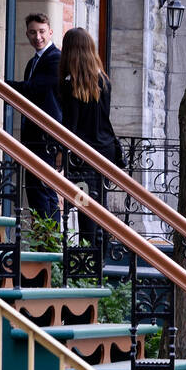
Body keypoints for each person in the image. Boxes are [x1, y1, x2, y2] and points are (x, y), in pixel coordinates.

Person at [57, 28, 123, 247]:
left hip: (83, 154)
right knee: (98, 206)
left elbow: (71, 126)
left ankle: (89, 260)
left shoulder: (70, 84)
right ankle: (98, 258)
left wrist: (61, 153)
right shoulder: (104, 81)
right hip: (105, 149)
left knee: (85, 206)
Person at [17, 13, 63, 222]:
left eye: (42, 32)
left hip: (46, 137)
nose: (37, 37)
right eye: (33, 32)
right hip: (33, 136)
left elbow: (34, 89)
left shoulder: (55, 58)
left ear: (50, 32)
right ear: (27, 34)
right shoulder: (31, 63)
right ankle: (45, 241)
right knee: (36, 190)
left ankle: (49, 243)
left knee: (44, 191)